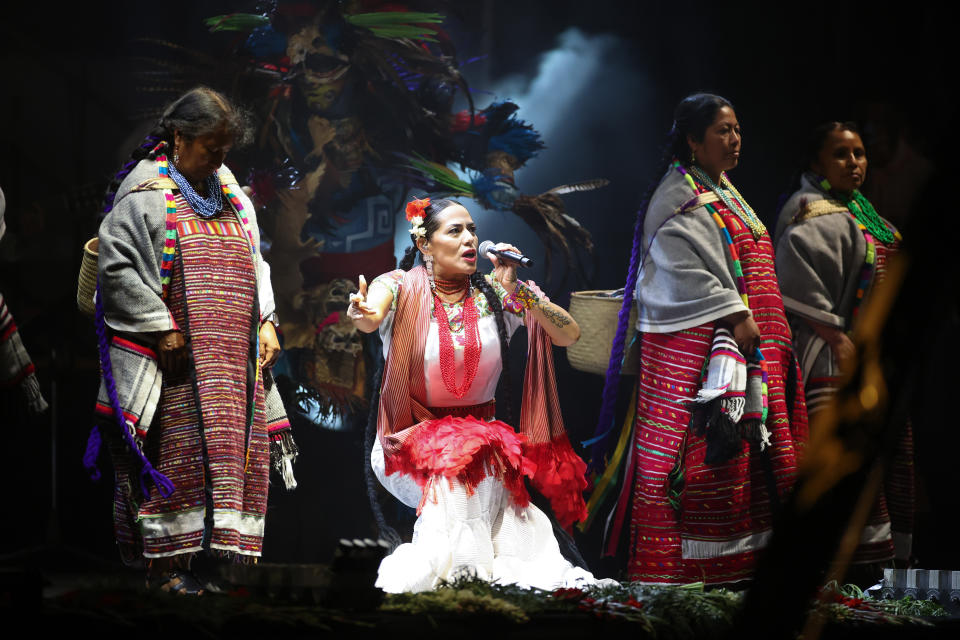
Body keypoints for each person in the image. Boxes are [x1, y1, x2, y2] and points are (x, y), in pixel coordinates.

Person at [590, 93, 808, 585]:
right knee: (698, 457)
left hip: (753, 348)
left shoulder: (723, 188)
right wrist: (734, 314)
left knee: (750, 463)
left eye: (737, 130)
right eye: (722, 131)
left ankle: (741, 571)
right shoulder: (676, 193)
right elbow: (679, 268)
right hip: (700, 353)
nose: (735, 140)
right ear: (693, 139)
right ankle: (682, 576)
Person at [92, 87, 296, 595]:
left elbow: (257, 259)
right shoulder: (146, 192)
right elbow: (115, 269)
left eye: (226, 149)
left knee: (228, 456)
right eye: (211, 147)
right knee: (174, 454)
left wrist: (266, 320)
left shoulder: (228, 191)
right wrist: (161, 327)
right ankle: (165, 569)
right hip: (176, 362)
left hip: (230, 358)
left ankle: (215, 568)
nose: (220, 158)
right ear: (179, 137)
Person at [349, 197, 605, 592]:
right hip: (408, 438)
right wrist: (364, 313)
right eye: (455, 231)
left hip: (482, 446)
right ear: (425, 245)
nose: (470, 239)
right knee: (459, 479)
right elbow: (370, 316)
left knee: (507, 524)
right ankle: (460, 586)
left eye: (473, 230)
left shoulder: (495, 295)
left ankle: (485, 594)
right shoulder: (399, 287)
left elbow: (568, 333)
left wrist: (520, 292)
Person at [774, 122, 913, 569]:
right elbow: (796, 280)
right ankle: (830, 569)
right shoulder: (806, 210)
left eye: (859, 154)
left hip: (871, 356)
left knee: (884, 457)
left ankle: (883, 566)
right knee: (840, 460)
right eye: (840, 155)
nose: (854, 163)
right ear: (816, 162)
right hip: (831, 354)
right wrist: (837, 336)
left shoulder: (862, 211)